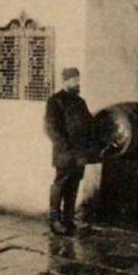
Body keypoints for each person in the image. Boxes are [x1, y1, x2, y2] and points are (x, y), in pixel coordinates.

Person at [44, 67, 93, 235]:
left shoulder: (80, 102)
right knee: (60, 184)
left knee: (74, 184)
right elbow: (51, 128)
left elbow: (89, 124)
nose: (77, 83)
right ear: (65, 81)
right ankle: (55, 221)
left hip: (79, 153)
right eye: (74, 80)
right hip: (64, 153)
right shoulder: (55, 101)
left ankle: (68, 219)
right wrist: (66, 146)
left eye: (78, 79)